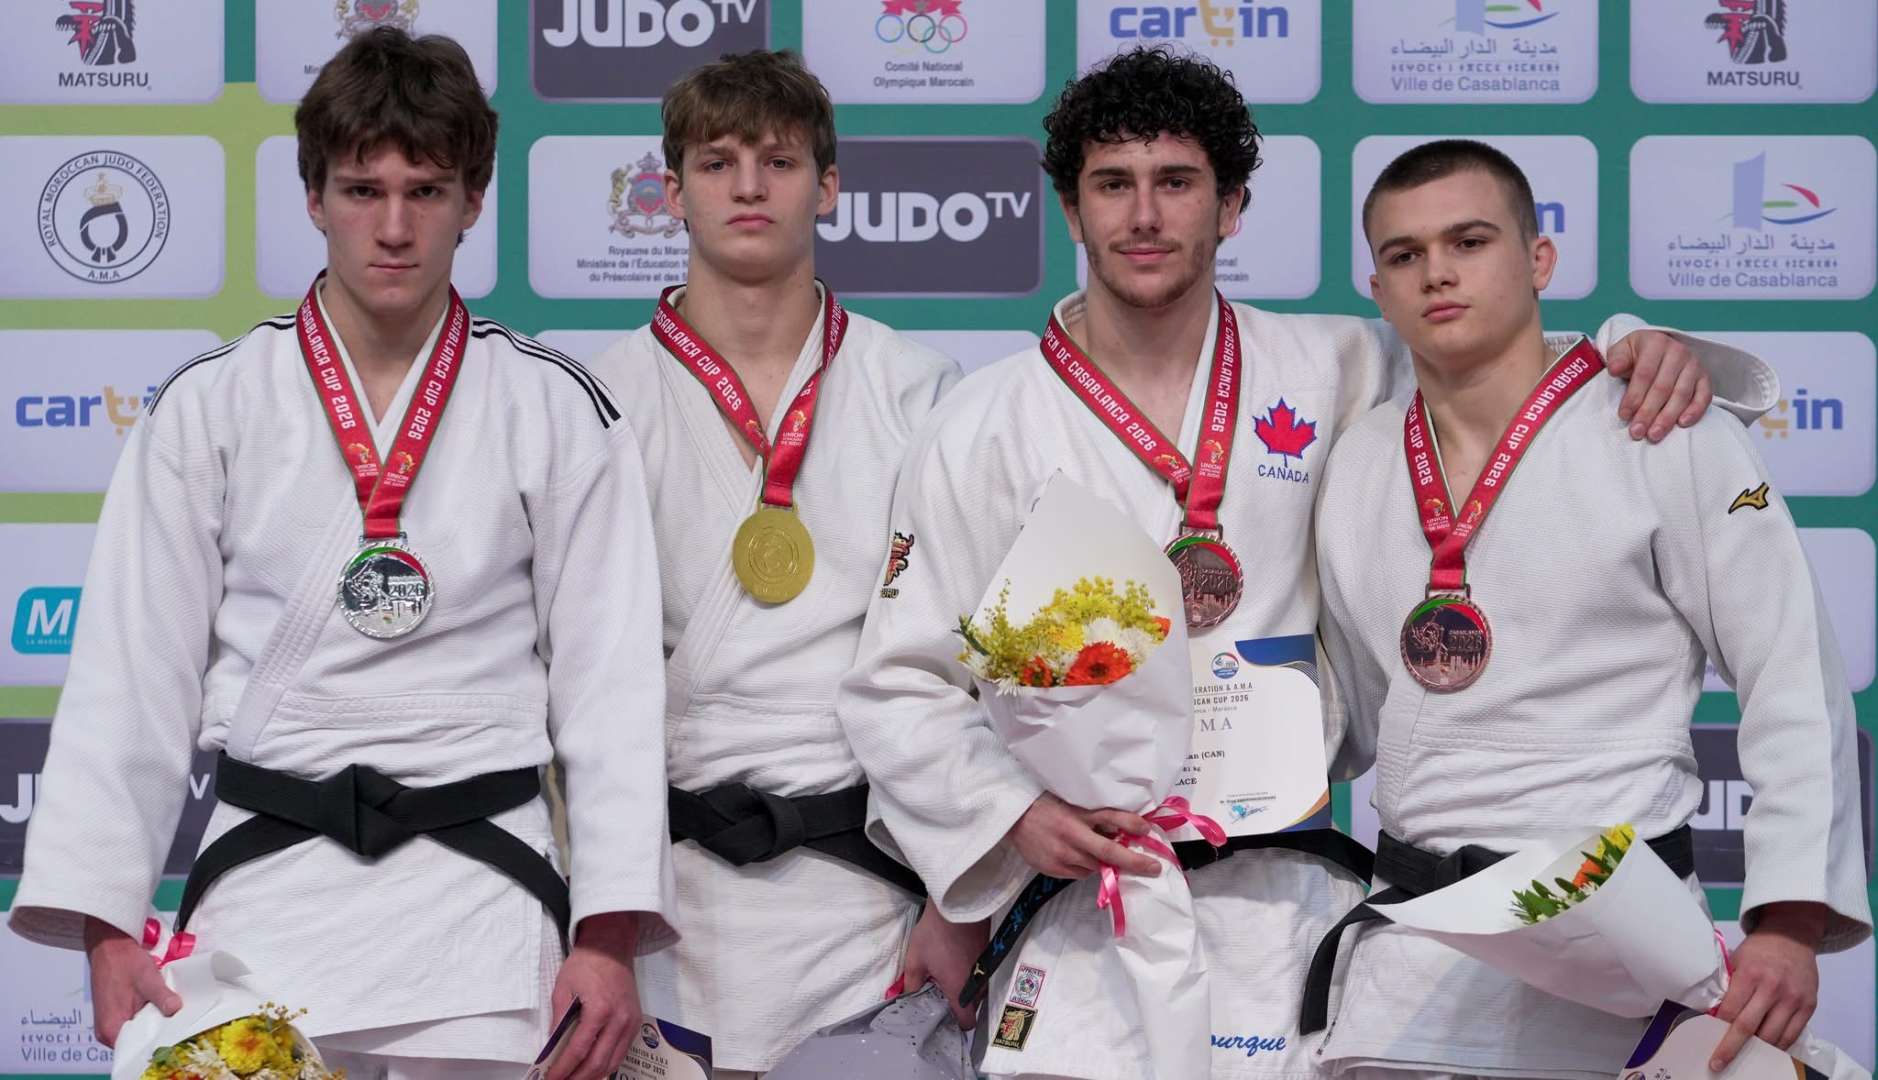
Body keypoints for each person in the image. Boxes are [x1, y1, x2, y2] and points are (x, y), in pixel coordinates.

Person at [834, 46, 1774, 1080]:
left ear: (1232, 205)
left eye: (1176, 182)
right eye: (1112, 184)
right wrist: (1011, 816)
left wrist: (1636, 346)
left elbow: (1505, 372)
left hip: (1287, 901)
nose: (1143, 216)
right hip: (1084, 897)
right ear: (1070, 208)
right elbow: (901, 682)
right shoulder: (979, 424)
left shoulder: (1342, 365)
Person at [8, 28, 673, 1080]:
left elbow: (611, 692)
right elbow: (131, 677)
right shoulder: (211, 406)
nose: (394, 228)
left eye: (426, 191)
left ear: (474, 199)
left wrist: (607, 934)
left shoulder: (554, 409)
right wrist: (106, 921)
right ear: (313, 197)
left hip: (485, 903)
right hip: (264, 900)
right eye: (363, 191)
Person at [1308, 138, 1871, 1080]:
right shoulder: (1357, 463)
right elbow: (1353, 713)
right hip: (1412, 976)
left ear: (1540, 259)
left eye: (1470, 241)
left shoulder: (1659, 425)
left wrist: (1787, 920)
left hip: (1626, 959)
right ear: (1378, 288)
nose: (1437, 272)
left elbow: (1790, 671)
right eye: (1405, 255)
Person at [586, 50, 964, 1080]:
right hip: (661, 902)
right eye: (717, 163)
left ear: (828, 186)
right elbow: (561, 687)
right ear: (672, 193)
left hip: (870, 892)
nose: (748, 187)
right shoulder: (594, 403)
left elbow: (966, 670)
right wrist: (589, 925)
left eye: (780, 162)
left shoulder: (919, 391)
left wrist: (959, 895)